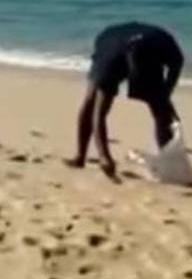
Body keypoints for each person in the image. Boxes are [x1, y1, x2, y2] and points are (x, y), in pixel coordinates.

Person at [66, 22, 184, 178]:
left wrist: (165, 95)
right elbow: (98, 112)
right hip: (114, 48)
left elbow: (177, 64)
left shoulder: (162, 48)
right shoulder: (109, 55)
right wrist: (104, 157)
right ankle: (82, 157)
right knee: (94, 101)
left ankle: (167, 161)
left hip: (146, 47)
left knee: (159, 108)